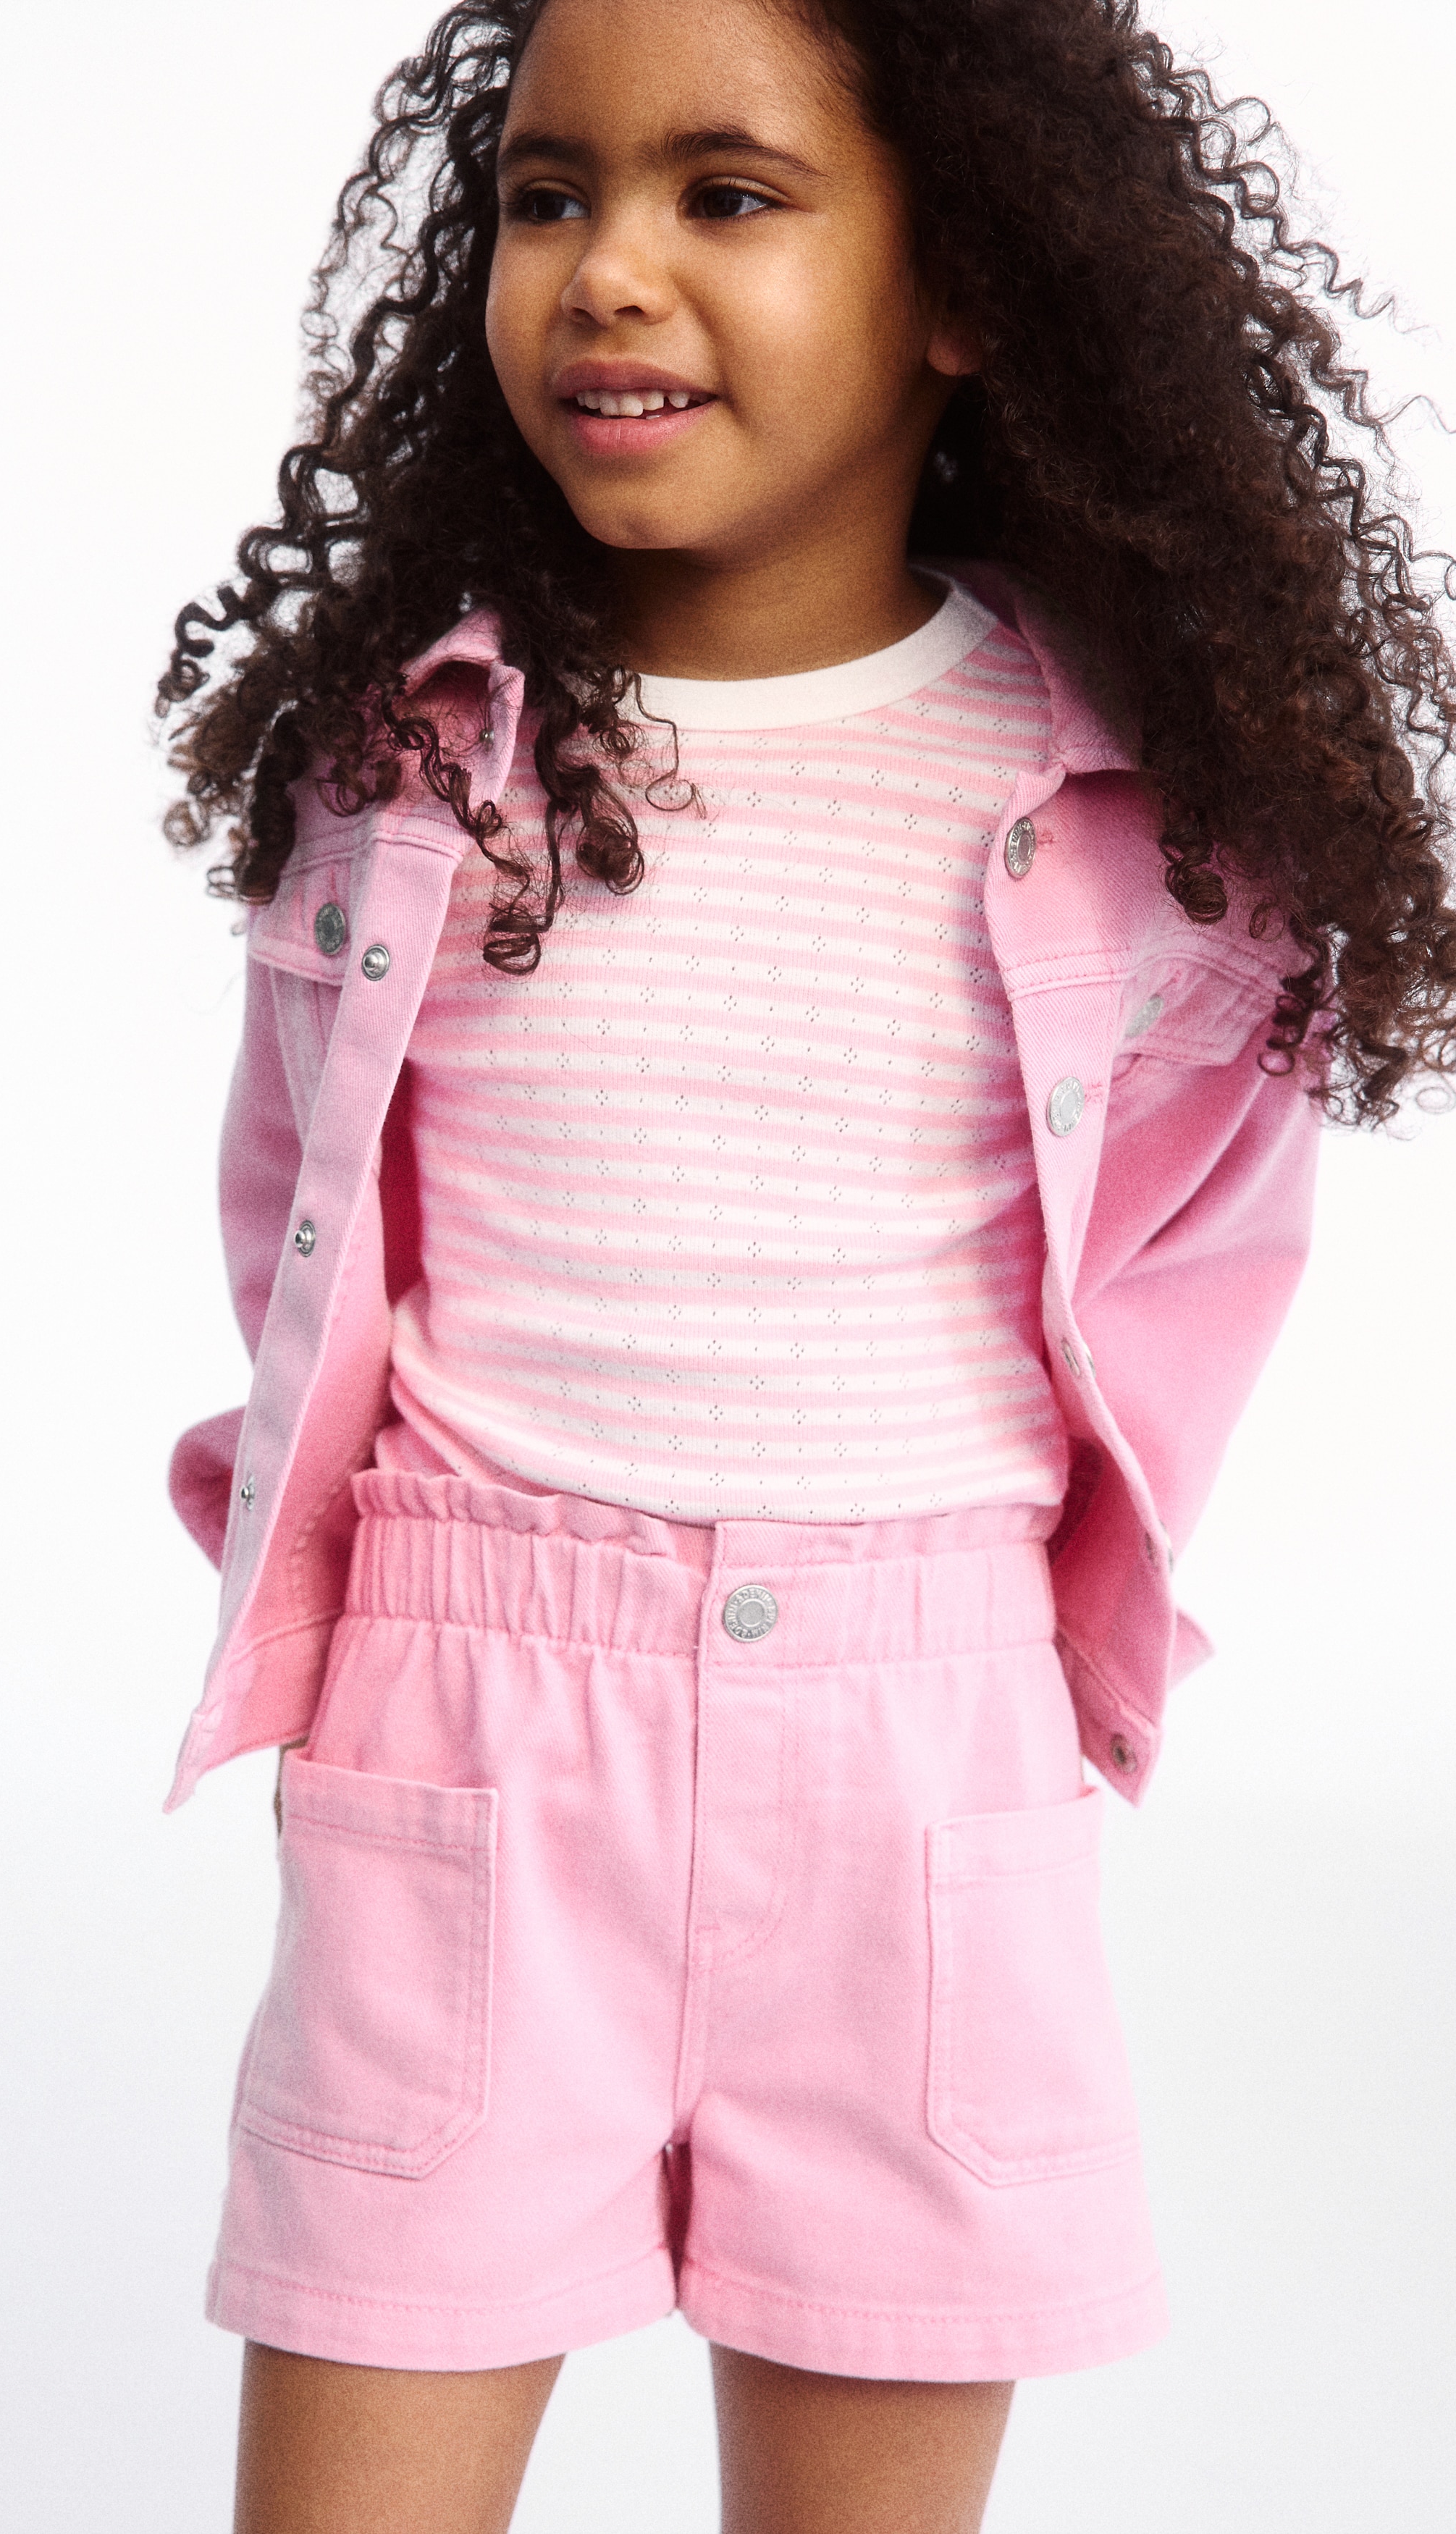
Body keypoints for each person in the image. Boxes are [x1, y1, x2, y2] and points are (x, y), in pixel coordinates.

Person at [156, 1, 1456, 2525]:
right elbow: (295, 1197)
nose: (608, 269)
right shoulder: (419, 772)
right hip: (471, 1725)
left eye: (726, 196)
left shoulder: (1136, 807)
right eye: (549, 194)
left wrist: (1024, 1635)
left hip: (921, 1756)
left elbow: (1200, 1234)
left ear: (966, 276)